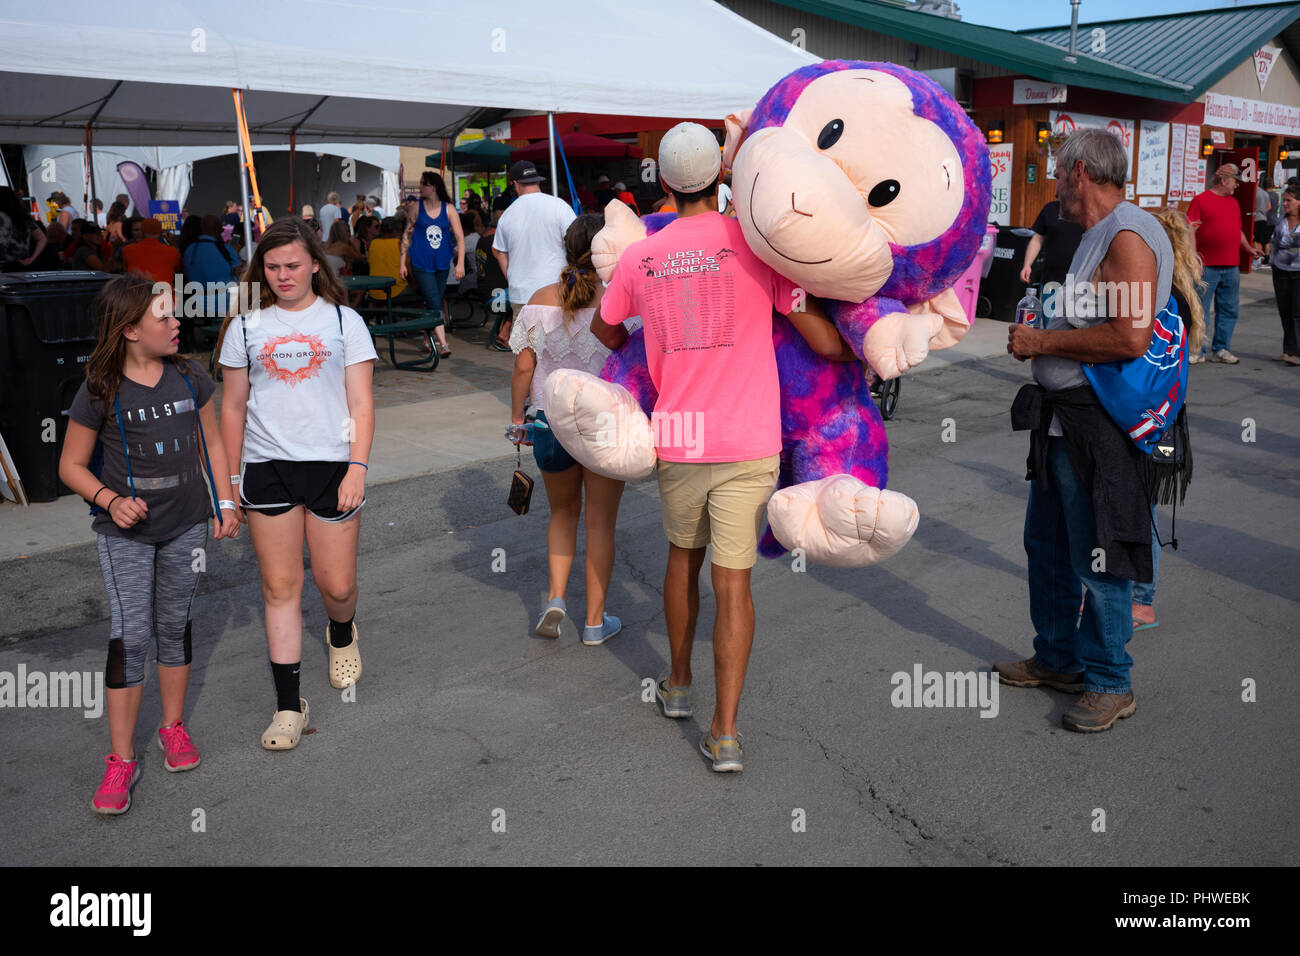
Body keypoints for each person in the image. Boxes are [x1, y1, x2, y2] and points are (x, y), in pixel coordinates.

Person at [589, 123, 858, 772]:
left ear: (663, 181)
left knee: (683, 558)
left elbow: (603, 330)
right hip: (749, 437)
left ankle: (678, 684)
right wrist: (858, 344)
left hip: (678, 435)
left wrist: (656, 353)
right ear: (722, 177)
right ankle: (726, 732)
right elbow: (819, 339)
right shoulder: (756, 247)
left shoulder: (639, 257)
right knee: (732, 584)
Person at [1001, 129, 1174, 733]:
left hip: (1094, 426)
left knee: (1098, 555)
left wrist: (1042, 341)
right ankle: (1057, 658)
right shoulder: (1097, 235)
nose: (1054, 188)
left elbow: (1130, 336)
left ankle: (1109, 680)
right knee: (1045, 545)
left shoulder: (1125, 233)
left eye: (1056, 175)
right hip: (1062, 422)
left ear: (1079, 172)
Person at [58, 273, 239, 814]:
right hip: (125, 535)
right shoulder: (99, 387)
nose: (176, 321)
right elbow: (69, 465)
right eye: (164, 316)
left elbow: (212, 441)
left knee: (173, 626)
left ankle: (172, 728)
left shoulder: (188, 377)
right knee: (130, 635)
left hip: (186, 524)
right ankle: (120, 760)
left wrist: (225, 502)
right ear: (131, 330)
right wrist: (111, 500)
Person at [217, 217, 377, 751]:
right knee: (280, 589)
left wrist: (358, 466)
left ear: (315, 264)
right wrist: (230, 483)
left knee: (336, 586)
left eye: (292, 265)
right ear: (260, 269)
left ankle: (341, 630)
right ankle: (288, 705)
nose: (283, 275)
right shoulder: (244, 327)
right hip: (268, 468)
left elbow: (362, 402)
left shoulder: (343, 322)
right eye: (272, 266)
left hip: (333, 465)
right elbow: (232, 408)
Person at [508, 214, 631, 644]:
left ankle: (556, 599)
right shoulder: (620, 302)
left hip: (548, 423)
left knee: (562, 514)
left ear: (566, 247)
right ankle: (595, 624)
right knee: (600, 524)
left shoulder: (539, 301)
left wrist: (517, 419)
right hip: (602, 427)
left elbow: (524, 367)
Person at [1130, 207, 1208, 631]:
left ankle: (1141, 599)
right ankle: (1133, 595)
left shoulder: (1167, 297)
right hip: (1165, 417)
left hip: (1155, 420)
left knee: (1141, 508)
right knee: (1141, 505)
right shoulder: (1178, 290)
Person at [492, 160, 575, 350]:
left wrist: (510, 275)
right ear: (538, 180)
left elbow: (498, 251)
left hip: (522, 294)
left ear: (515, 184)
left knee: (526, 358)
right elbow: (577, 243)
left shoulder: (507, 215)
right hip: (557, 291)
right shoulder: (559, 206)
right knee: (559, 354)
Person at [1186, 163, 1263, 364]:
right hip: (1207, 266)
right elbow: (1190, 229)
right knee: (1200, 309)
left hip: (1231, 266)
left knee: (1229, 309)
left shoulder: (1233, 203)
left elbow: (1237, 231)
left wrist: (1248, 248)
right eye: (1235, 181)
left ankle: (1221, 348)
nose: (1236, 185)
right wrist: (1194, 257)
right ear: (1223, 180)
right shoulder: (1200, 200)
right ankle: (1197, 350)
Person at [399, 171, 462, 358]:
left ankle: (426, 337)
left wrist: (460, 264)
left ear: (433, 187)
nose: (420, 187)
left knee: (434, 299)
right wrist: (402, 263)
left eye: (423, 184)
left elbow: (459, 236)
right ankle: (443, 343)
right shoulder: (416, 208)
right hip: (420, 262)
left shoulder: (449, 208)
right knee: (434, 301)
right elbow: (406, 235)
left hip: (442, 262)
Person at [182, 215, 242, 320]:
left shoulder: (189, 250)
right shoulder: (226, 249)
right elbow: (240, 272)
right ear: (218, 229)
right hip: (226, 304)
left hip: (198, 304)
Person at [1021, 199, 1085, 288]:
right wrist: (1027, 265)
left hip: (1083, 282)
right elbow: (1037, 239)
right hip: (1051, 281)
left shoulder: (1090, 209)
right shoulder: (1050, 208)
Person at [1269, 183, 1300, 365]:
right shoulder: (1281, 220)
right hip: (1280, 271)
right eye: (1284, 200)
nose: (1285, 203)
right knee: (1285, 312)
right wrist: (1272, 259)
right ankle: (1288, 351)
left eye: (1289, 200)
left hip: (1298, 272)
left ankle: (1297, 352)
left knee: (1297, 313)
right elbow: (1275, 241)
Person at [121, 218, 182, 286]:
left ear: (142, 231)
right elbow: (178, 273)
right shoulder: (173, 251)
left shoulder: (127, 250)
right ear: (160, 232)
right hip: (165, 294)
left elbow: (125, 271)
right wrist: (172, 243)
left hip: (137, 294)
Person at [1253, 174, 1277, 267]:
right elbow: (1269, 206)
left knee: (1256, 240)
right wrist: (1263, 211)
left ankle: (1257, 260)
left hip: (1258, 218)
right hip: (1266, 219)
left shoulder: (1255, 193)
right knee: (1266, 241)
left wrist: (1258, 211)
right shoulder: (1268, 194)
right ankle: (1267, 259)